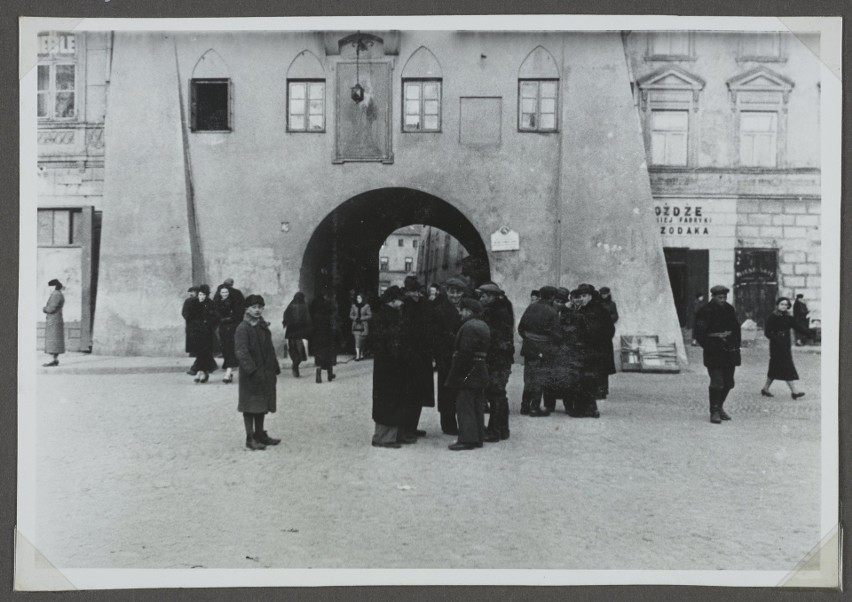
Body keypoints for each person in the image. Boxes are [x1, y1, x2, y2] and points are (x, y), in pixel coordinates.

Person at [234, 294, 281, 451]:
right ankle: (250, 438)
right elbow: (242, 352)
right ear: (247, 309)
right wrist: (252, 371)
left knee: (261, 404)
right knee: (249, 406)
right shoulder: (243, 328)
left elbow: (270, 348)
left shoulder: (262, 326)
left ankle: (260, 434)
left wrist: (274, 365)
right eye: (254, 307)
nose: (257, 310)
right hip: (251, 375)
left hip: (265, 372)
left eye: (260, 307)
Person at [445, 298, 491, 451]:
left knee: (464, 404)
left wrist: (457, 374)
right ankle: (478, 437)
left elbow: (465, 352)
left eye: (462, 310)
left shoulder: (469, 326)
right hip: (479, 369)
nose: (460, 313)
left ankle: (467, 439)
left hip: (468, 371)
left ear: (469, 311)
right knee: (477, 404)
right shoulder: (483, 325)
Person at [563, 284, 615, 418]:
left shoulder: (592, 311)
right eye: (580, 296)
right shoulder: (594, 309)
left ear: (590, 296)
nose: (582, 299)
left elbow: (589, 331)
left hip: (589, 350)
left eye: (584, 296)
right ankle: (591, 409)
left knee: (584, 380)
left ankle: (584, 410)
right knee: (588, 381)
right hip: (593, 350)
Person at [693, 285, 741, 424]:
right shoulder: (705, 311)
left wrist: (736, 346)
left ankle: (719, 406)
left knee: (729, 383)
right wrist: (711, 345)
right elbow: (699, 334)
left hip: (729, 351)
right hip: (713, 352)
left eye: (724, 297)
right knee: (717, 382)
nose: (722, 300)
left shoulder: (729, 309)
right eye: (720, 297)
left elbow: (736, 329)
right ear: (713, 297)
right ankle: (714, 411)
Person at [370, 286, 407, 449]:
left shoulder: (381, 315)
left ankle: (384, 435)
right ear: (393, 300)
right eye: (400, 300)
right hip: (391, 365)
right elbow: (393, 343)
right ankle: (385, 438)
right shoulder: (390, 317)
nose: (402, 303)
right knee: (390, 400)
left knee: (385, 400)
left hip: (384, 365)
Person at [399, 276, 435, 442]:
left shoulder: (421, 304)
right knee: (410, 395)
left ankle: (411, 427)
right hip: (412, 357)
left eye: (417, 291)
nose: (416, 295)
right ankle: (406, 430)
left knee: (416, 394)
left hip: (419, 356)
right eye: (413, 291)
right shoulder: (406, 306)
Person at [478, 283, 515, 442]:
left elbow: (496, 337)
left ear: (492, 296)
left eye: (484, 296)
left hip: (498, 359)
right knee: (498, 394)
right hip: (500, 358)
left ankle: (495, 431)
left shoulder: (498, 313)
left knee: (496, 393)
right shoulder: (500, 309)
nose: (481, 299)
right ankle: (502, 428)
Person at [428, 279, 465, 435]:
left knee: (462, 390)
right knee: (447, 390)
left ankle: (463, 421)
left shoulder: (467, 307)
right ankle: (448, 424)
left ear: (463, 293)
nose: (454, 295)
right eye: (451, 292)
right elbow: (435, 335)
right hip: (446, 356)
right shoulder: (440, 310)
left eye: (458, 292)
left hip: (463, 356)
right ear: (446, 292)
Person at [518, 285, 560, 416]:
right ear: (552, 297)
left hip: (529, 348)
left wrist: (529, 339)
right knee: (540, 378)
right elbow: (556, 334)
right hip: (544, 349)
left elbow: (521, 328)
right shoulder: (552, 312)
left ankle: (524, 407)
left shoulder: (531, 307)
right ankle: (535, 407)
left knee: (529, 377)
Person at [761, 297, 810, 399]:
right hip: (776, 345)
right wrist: (776, 339)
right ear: (777, 305)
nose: (784, 306)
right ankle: (794, 391)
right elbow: (767, 332)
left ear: (788, 306)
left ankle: (765, 389)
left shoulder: (789, 318)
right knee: (786, 366)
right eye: (782, 304)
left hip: (785, 345)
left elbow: (798, 327)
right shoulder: (772, 317)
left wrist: (810, 333)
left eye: (786, 305)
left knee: (774, 368)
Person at [186, 284, 219, 383]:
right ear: (198, 294)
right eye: (200, 294)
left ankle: (198, 371)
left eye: (204, 295)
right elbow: (188, 316)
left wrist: (208, 324)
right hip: (196, 332)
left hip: (207, 333)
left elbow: (216, 317)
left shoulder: (211, 304)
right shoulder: (193, 303)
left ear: (207, 295)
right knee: (202, 353)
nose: (202, 297)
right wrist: (193, 325)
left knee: (203, 352)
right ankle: (204, 372)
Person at [214, 284, 242, 383]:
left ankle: (228, 372)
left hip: (232, 328)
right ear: (219, 293)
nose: (224, 294)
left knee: (230, 349)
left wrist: (229, 318)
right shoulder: (216, 303)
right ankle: (229, 372)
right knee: (225, 349)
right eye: (222, 292)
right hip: (222, 329)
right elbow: (214, 314)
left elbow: (238, 314)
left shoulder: (233, 302)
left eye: (226, 292)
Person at [310, 288, 339, 383]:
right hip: (328, 339)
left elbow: (312, 328)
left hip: (318, 339)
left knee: (319, 358)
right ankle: (330, 375)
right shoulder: (329, 317)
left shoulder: (316, 317)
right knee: (329, 356)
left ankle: (318, 377)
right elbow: (334, 328)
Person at [282, 292, 312, 377]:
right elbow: (308, 318)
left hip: (291, 331)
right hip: (299, 331)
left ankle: (295, 366)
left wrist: (286, 323)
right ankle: (295, 366)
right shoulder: (304, 306)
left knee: (293, 349)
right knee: (299, 349)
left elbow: (285, 316)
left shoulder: (290, 305)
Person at [42, 279, 65, 367]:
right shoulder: (59, 294)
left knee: (53, 340)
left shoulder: (55, 294)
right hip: (56, 319)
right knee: (55, 340)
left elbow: (51, 308)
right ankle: (54, 360)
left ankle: (53, 360)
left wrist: (44, 309)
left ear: (53, 286)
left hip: (53, 320)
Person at [349, 293, 372, 361]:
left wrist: (362, 318)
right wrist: (355, 318)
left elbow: (370, 315)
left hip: (364, 325)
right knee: (357, 340)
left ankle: (362, 353)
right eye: (357, 298)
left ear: (363, 298)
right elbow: (350, 315)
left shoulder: (367, 306)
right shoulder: (353, 306)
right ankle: (358, 356)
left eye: (359, 298)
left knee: (362, 340)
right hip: (356, 325)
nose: (358, 299)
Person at [182, 286, 199, 374]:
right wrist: (190, 319)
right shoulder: (188, 301)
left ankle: (196, 368)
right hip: (191, 326)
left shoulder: (201, 301)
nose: (191, 293)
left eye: (193, 291)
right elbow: (184, 313)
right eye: (190, 292)